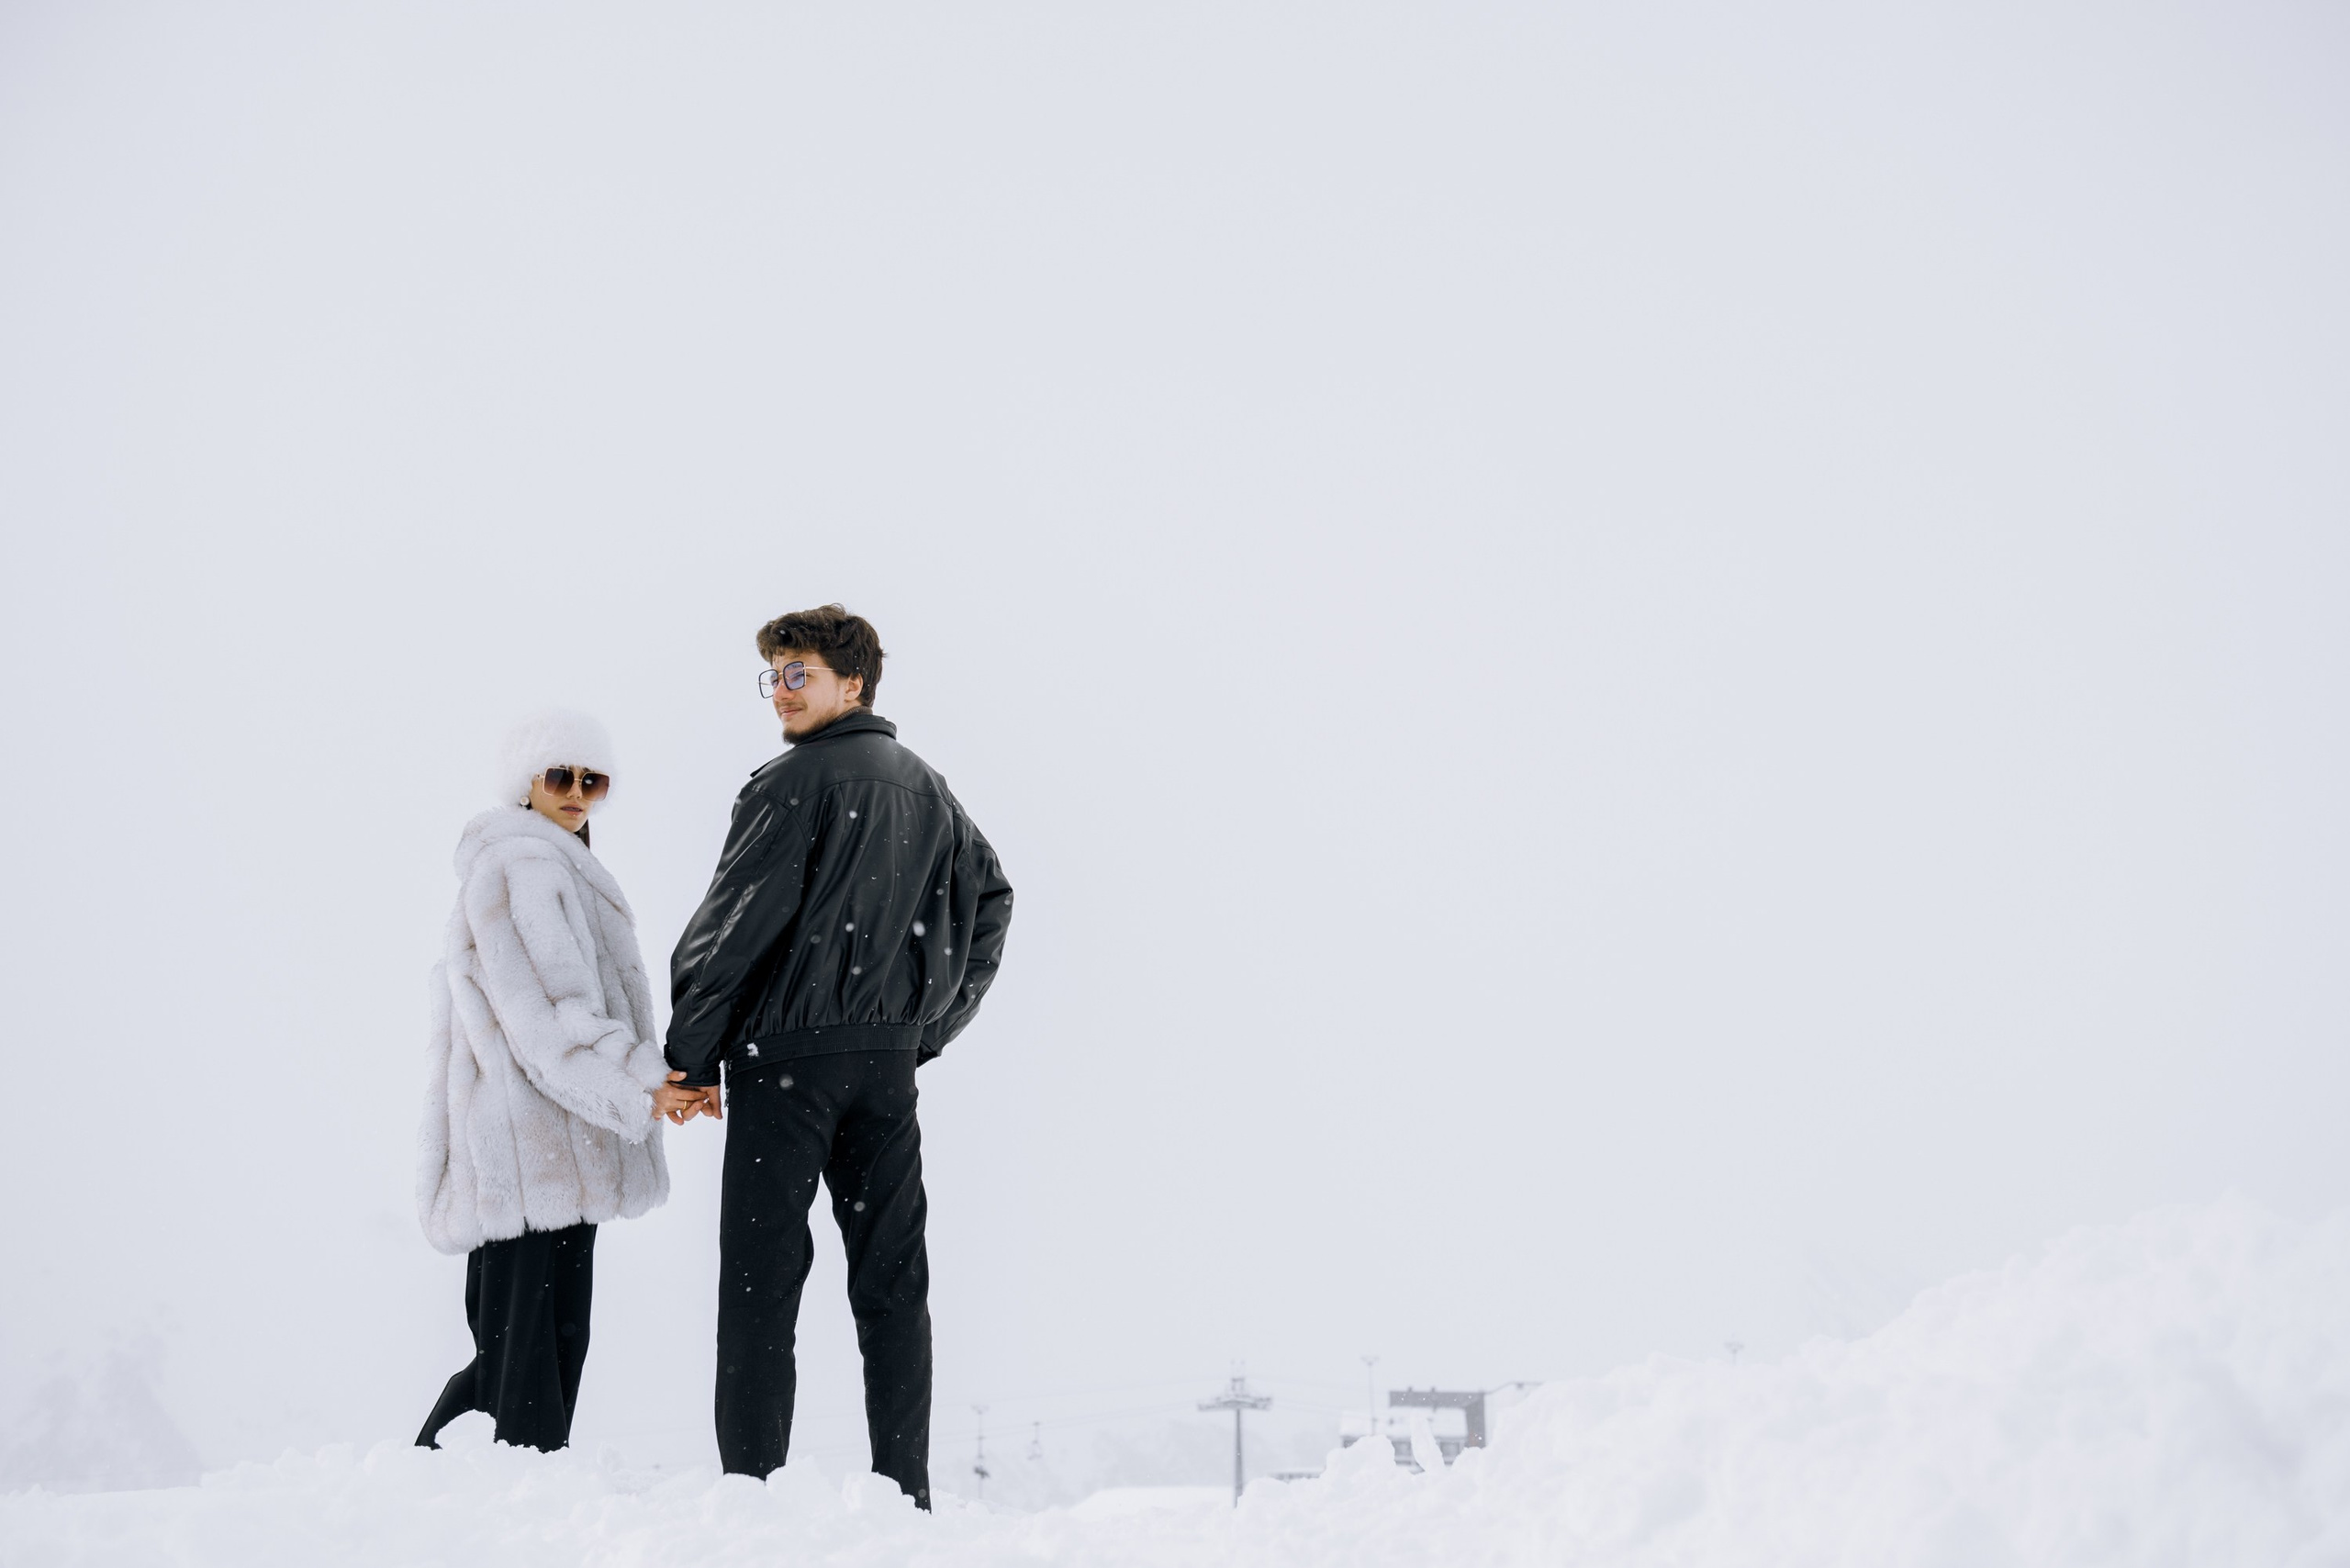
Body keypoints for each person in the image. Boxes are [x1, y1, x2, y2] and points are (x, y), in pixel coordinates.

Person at [664, 605, 1013, 1508]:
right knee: (893, 1284)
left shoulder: (786, 784)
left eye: (798, 674)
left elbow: (728, 934)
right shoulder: (927, 786)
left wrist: (690, 1059)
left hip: (787, 1064)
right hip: (883, 1070)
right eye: (772, 676)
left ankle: (750, 1492)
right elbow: (994, 900)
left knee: (759, 1280)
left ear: (851, 683)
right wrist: (925, 1027)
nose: (780, 693)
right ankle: (906, 1494)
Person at [415, 710, 704, 1451]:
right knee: (528, 1369)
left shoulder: (549, 864)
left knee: (526, 1354)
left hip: (546, 1147)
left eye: (593, 779)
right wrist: (644, 1085)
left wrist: (645, 1082)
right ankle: (471, 1499)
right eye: (559, 777)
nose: (577, 792)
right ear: (525, 784)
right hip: (531, 1149)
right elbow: (551, 1018)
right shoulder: (525, 866)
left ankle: (468, 1492)